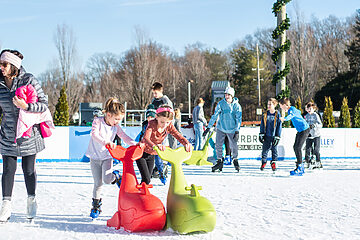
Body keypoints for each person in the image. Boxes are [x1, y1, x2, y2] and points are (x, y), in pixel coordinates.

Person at [0, 49, 49, 222]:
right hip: (8, 134)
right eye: (0, 64)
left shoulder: (29, 80)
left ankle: (31, 200)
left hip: (28, 135)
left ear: (13, 66)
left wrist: (26, 106)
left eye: (4, 64)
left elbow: (44, 105)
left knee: (28, 170)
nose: (1, 67)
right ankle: (5, 206)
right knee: (8, 170)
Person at [85, 97, 137, 219]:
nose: (118, 122)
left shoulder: (116, 126)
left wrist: (134, 143)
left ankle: (116, 176)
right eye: (117, 119)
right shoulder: (97, 121)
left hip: (108, 157)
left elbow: (124, 136)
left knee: (107, 180)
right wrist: (106, 142)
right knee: (98, 183)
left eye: (120, 120)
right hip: (94, 157)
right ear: (108, 115)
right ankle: (96, 206)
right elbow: (94, 134)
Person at [138, 105, 192, 184]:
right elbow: (146, 138)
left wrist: (186, 143)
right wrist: (155, 146)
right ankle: (138, 193)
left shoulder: (169, 126)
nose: (164, 125)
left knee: (147, 180)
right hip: (141, 153)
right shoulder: (152, 123)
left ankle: (141, 193)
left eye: (167, 122)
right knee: (146, 179)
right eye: (162, 122)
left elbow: (178, 135)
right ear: (156, 117)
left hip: (152, 154)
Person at [204, 87, 242, 173]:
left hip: (232, 129)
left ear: (232, 95)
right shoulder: (221, 103)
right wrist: (209, 127)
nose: (226, 96)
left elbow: (238, 119)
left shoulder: (237, 106)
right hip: (221, 128)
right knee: (218, 145)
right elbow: (215, 115)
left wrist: (237, 130)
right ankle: (219, 161)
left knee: (234, 145)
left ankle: (235, 160)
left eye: (228, 94)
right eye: (225, 94)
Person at [137, 104, 168, 185]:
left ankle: (162, 174)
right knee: (146, 178)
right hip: (144, 151)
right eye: (148, 117)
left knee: (158, 163)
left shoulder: (158, 125)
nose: (150, 119)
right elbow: (143, 136)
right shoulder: (145, 125)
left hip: (154, 150)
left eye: (152, 117)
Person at [279, 97, 310, 176]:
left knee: (298, 147)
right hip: (300, 131)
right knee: (295, 147)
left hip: (304, 130)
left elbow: (291, 116)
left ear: (285, 105)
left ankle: (300, 167)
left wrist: (284, 119)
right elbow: (298, 112)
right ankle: (299, 166)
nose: (280, 108)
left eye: (281, 106)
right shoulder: (291, 110)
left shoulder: (292, 109)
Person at [259, 98, 282, 171]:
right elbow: (262, 124)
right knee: (265, 150)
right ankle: (264, 162)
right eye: (268, 104)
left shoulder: (277, 114)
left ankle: (273, 162)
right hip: (267, 135)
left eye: (270, 104)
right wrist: (261, 133)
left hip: (274, 136)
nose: (268, 106)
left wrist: (278, 136)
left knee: (274, 150)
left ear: (274, 105)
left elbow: (279, 125)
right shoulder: (265, 114)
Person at [304, 102, 323, 169]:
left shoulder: (316, 115)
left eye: (311, 108)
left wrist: (314, 125)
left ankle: (318, 162)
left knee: (316, 150)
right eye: (308, 108)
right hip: (309, 135)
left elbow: (320, 124)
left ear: (314, 109)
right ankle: (307, 162)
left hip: (316, 135)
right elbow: (305, 124)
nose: (309, 110)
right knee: (307, 149)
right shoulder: (306, 116)